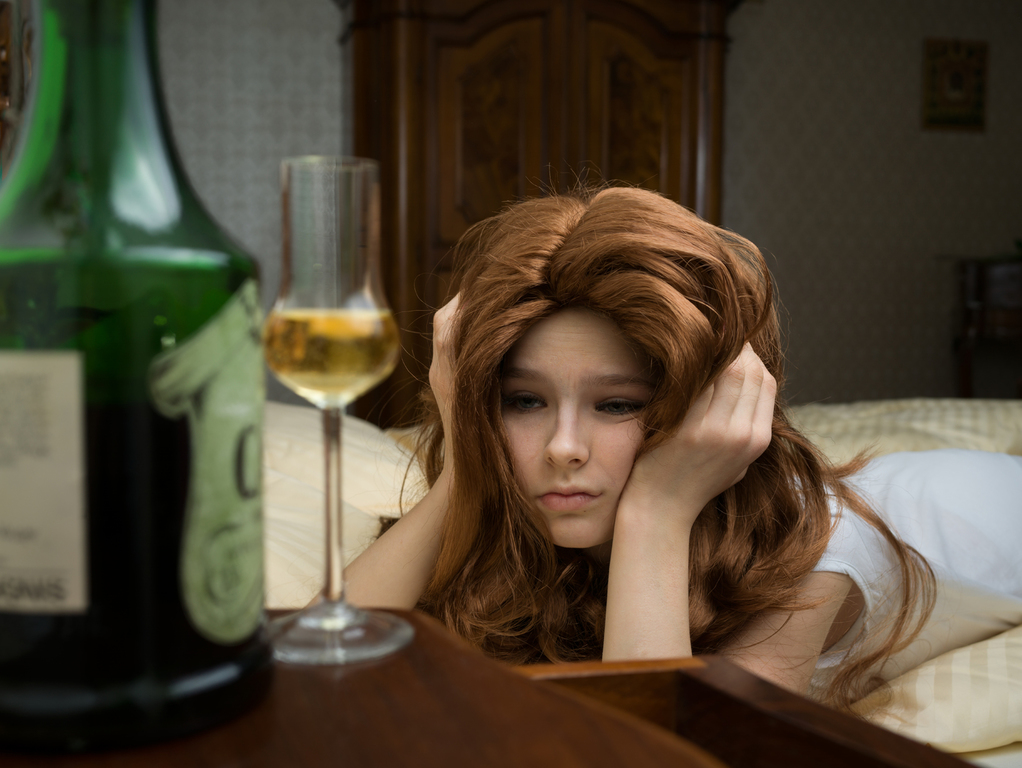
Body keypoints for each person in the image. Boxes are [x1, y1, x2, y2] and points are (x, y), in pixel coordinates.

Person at [346, 186, 1022, 713]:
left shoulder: (815, 562)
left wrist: (657, 511)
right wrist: (467, 455)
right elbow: (326, 657)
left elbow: (654, 747)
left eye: (618, 404)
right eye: (524, 401)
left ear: (702, 405)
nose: (563, 449)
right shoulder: (520, 490)